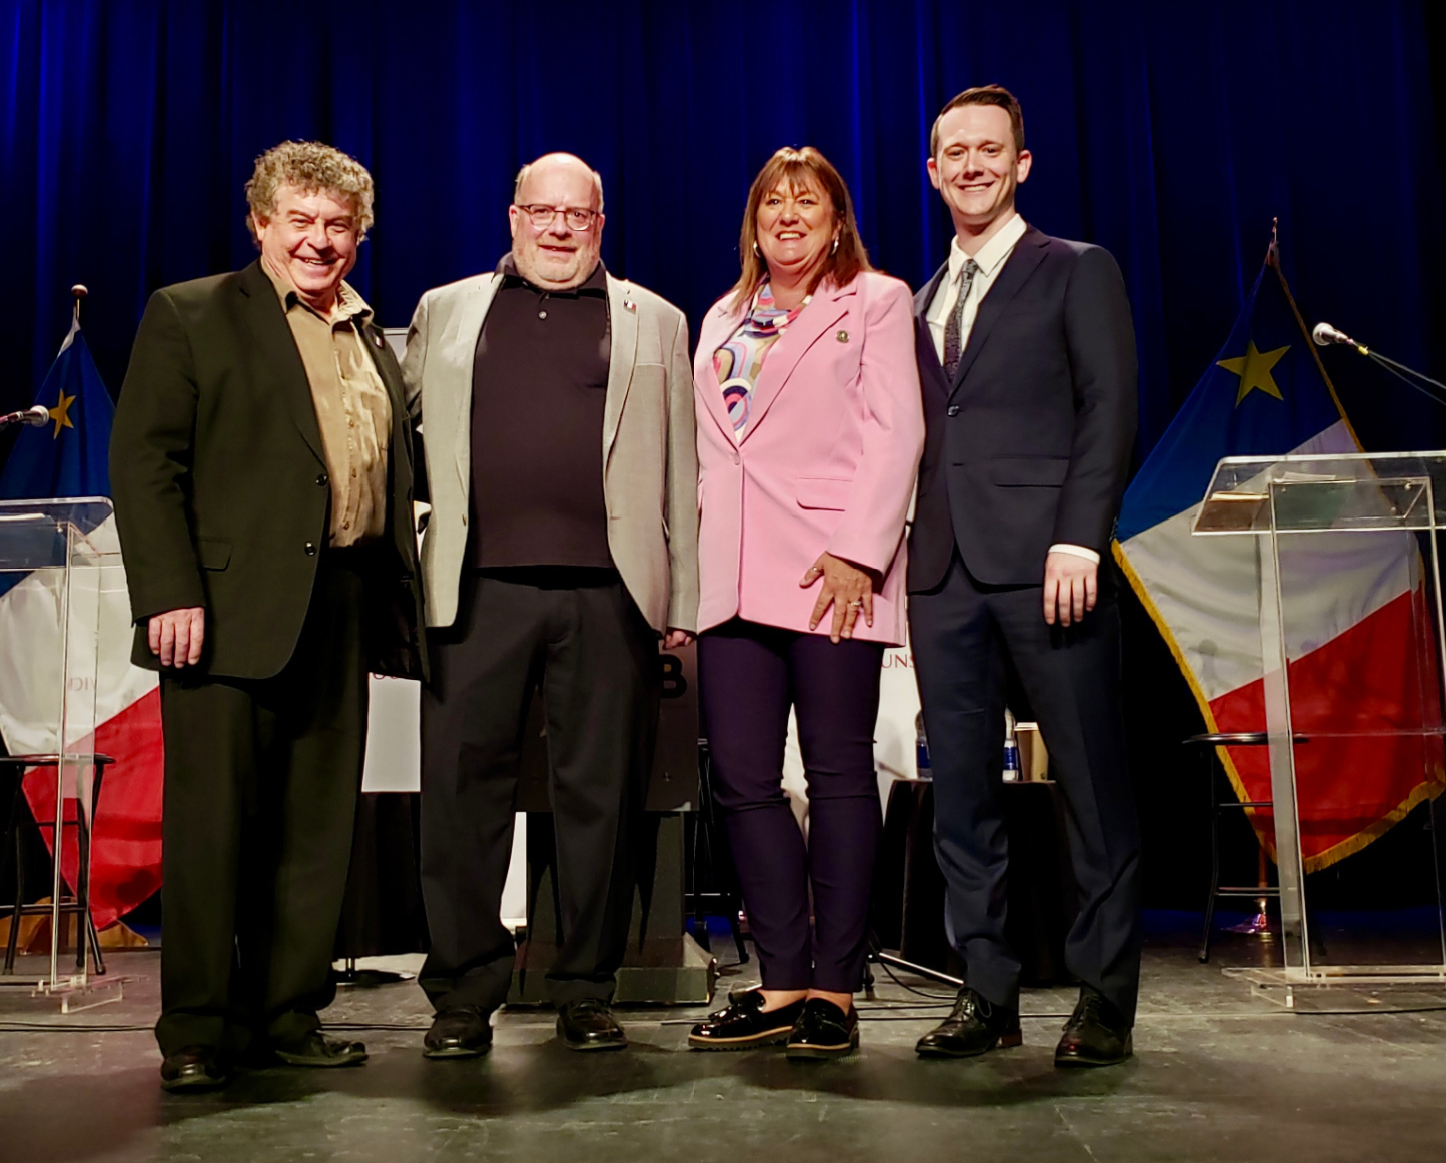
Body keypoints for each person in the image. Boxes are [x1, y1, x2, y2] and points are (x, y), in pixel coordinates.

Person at [110, 141, 424, 1091]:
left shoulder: (372, 336)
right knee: (214, 829)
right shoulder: (193, 312)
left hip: (341, 603)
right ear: (260, 224)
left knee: (315, 827)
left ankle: (286, 1014)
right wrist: (169, 591)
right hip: (218, 612)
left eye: (339, 226)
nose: (320, 241)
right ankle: (199, 1028)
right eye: (301, 222)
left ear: (358, 236)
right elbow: (145, 462)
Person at [402, 152, 697, 1057]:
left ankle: (584, 987)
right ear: (514, 216)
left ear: (601, 224)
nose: (560, 227)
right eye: (544, 211)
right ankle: (462, 995)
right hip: (476, 587)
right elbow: (397, 435)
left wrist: (680, 596)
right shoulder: (445, 309)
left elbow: (683, 467)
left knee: (599, 798)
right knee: (461, 798)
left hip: (611, 593)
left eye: (580, 214)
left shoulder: (658, 320)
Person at [906, 86, 1141, 1067]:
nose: (970, 164)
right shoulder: (914, 299)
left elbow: (1108, 407)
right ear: (932, 169)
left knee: (1088, 786)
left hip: (1052, 567)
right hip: (941, 575)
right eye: (952, 151)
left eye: (987, 149)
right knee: (960, 796)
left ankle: (1102, 1000)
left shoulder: (1073, 270)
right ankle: (987, 990)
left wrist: (1079, 535)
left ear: (1021, 163)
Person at [686, 147, 922, 1059]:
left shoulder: (875, 299)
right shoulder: (721, 314)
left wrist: (862, 551)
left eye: (808, 202)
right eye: (773, 202)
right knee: (742, 781)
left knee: (835, 773)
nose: (788, 215)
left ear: (836, 220)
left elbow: (897, 429)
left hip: (833, 571)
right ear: (752, 221)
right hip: (732, 576)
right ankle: (781, 979)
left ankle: (837, 984)